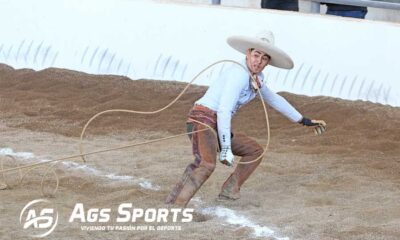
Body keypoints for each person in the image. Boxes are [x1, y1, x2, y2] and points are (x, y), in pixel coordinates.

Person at [165, 30, 326, 207]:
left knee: (255, 151)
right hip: (202, 119)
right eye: (256, 54)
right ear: (248, 53)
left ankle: (229, 190)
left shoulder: (257, 78)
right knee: (206, 164)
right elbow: (224, 110)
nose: (258, 61)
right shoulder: (239, 74)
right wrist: (226, 147)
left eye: (264, 58)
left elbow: (273, 98)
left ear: (268, 62)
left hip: (216, 124)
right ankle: (176, 205)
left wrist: (303, 120)